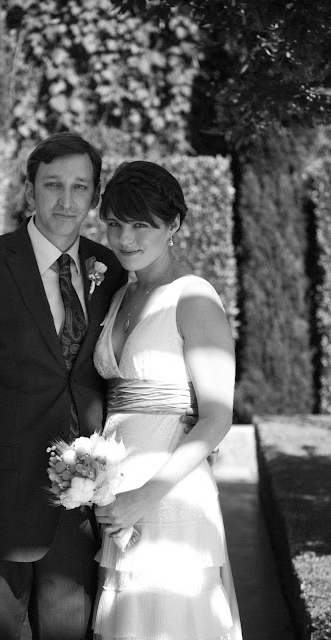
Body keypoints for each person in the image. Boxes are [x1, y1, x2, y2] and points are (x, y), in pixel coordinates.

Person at [0, 132, 127, 640]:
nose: (66, 200)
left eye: (80, 187)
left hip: (77, 519)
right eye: (53, 184)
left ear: (95, 195)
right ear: (30, 190)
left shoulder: (113, 272)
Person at [93, 161, 243, 640]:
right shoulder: (120, 295)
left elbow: (217, 417)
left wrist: (145, 496)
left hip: (170, 495)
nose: (124, 239)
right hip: (118, 501)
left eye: (141, 225)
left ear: (173, 224)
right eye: (115, 223)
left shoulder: (194, 298)